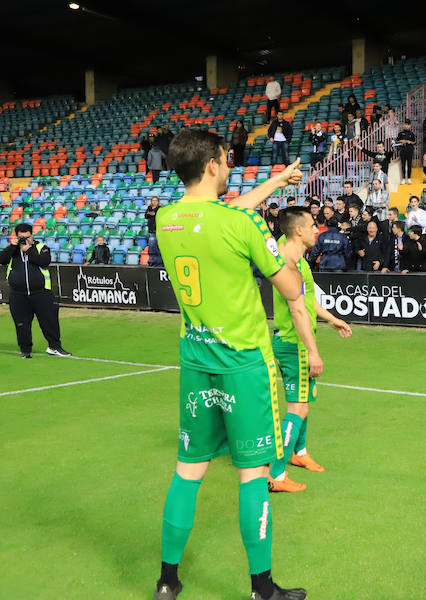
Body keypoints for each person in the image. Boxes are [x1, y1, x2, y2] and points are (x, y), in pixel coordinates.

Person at [152, 129, 307, 600]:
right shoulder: (245, 226)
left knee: (188, 470)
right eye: (227, 157)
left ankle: (167, 580)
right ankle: (262, 587)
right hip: (244, 365)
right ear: (216, 164)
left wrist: (275, 182)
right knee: (252, 475)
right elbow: (290, 289)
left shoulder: (166, 219)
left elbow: (218, 218)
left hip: (196, 362)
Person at [267, 207, 353, 492]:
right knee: (298, 406)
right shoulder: (287, 261)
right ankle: (276, 474)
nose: (318, 230)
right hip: (295, 343)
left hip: (291, 340)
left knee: (304, 403)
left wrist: (331, 319)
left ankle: (299, 453)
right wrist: (313, 351)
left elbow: (306, 301)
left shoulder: (291, 255)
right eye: (313, 225)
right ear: (298, 231)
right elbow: (296, 311)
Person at [0, 223, 69, 358]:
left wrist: (28, 249)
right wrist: (12, 246)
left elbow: (44, 262)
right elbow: (2, 260)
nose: (24, 239)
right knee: (21, 323)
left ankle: (54, 347)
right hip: (18, 294)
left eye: (27, 237)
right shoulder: (12, 251)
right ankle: (25, 350)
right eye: (21, 237)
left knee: (49, 320)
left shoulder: (40, 247)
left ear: (32, 235)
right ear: (16, 236)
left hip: (41, 292)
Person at [395, 119, 416, 184]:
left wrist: (410, 142)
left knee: (409, 164)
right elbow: (397, 141)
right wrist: (402, 141)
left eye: (408, 125)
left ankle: (409, 178)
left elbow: (414, 142)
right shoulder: (400, 133)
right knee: (403, 165)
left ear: (410, 126)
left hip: (409, 150)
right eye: (406, 124)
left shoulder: (412, 134)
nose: (407, 126)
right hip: (402, 150)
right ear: (404, 125)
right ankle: (403, 178)